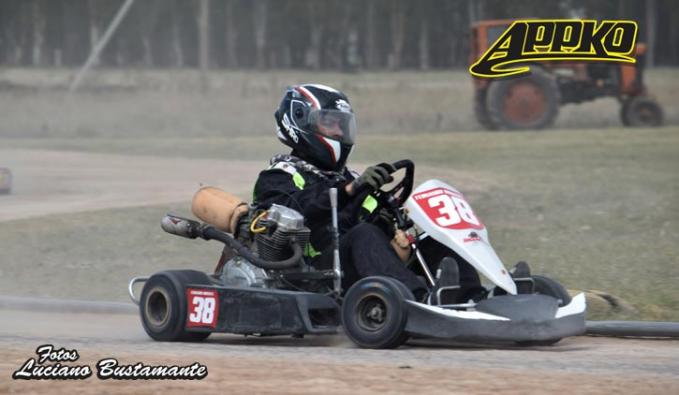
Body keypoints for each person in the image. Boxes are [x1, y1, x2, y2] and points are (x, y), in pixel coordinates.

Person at [253, 84, 480, 302]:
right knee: (364, 234)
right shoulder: (277, 177)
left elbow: (367, 216)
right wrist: (349, 191)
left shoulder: (347, 177)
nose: (339, 132)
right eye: (331, 123)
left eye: (343, 125)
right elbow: (302, 207)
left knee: (433, 240)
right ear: (301, 121)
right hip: (316, 273)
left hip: (362, 263)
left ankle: (473, 297)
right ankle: (418, 300)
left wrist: (393, 219)